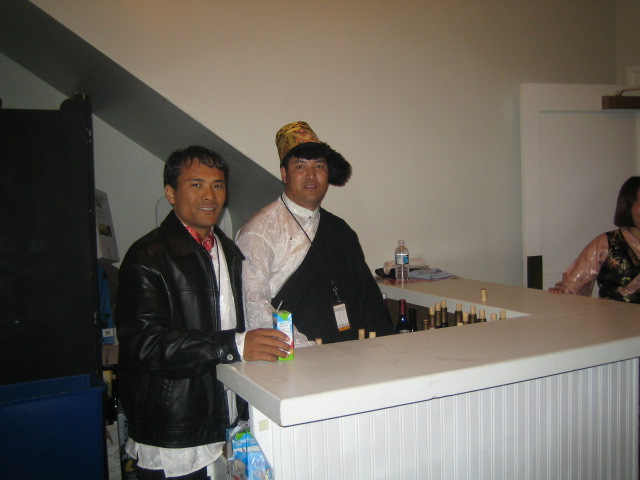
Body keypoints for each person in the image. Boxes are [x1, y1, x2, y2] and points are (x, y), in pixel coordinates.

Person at [116, 146, 291, 480]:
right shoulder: (146, 257)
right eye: (196, 184)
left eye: (218, 185)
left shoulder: (229, 251)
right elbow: (147, 345)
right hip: (175, 433)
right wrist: (235, 344)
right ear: (171, 193)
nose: (210, 195)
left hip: (226, 422)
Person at [235, 121, 394, 345]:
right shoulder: (259, 232)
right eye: (301, 166)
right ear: (284, 174)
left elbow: (368, 299)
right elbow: (254, 306)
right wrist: (306, 349)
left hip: (351, 353)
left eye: (319, 166)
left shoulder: (341, 230)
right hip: (295, 355)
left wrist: (387, 345)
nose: (311, 175)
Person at [549, 176, 640, 303]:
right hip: (614, 314)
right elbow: (574, 283)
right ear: (628, 205)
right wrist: (562, 291)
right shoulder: (606, 242)